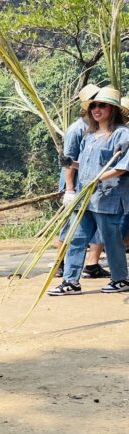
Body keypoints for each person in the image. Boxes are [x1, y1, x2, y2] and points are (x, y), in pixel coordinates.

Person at [49, 86, 129, 295]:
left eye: (102, 105)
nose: (97, 109)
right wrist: (71, 163)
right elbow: (85, 165)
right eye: (94, 105)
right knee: (76, 237)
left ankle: (120, 279)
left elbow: (122, 167)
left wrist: (99, 178)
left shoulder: (122, 134)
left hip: (107, 197)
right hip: (85, 196)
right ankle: (70, 281)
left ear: (113, 109)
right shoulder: (89, 135)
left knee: (111, 240)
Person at [55, 84, 109, 280]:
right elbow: (68, 162)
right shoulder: (76, 130)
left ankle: (92, 264)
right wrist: (69, 190)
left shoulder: (102, 129)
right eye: (95, 103)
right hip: (76, 186)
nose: (98, 107)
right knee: (70, 227)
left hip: (94, 187)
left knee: (97, 227)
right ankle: (61, 263)